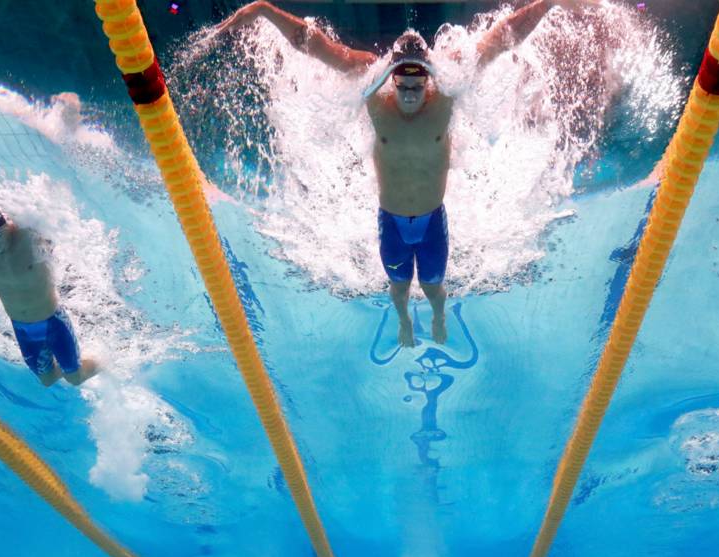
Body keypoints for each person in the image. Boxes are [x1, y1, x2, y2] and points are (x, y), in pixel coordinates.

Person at [215, 0, 598, 347]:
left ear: (429, 77)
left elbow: (501, 39)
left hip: (433, 220)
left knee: (434, 288)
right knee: (398, 288)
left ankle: (437, 316)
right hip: (391, 221)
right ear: (393, 78)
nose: (412, 93)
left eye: (419, 84)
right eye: (404, 85)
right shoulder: (374, 92)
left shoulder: (446, 93)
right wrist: (264, 10)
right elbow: (313, 45)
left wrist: (546, 4)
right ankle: (402, 321)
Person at [0, 200, 98, 386]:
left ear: (7, 226)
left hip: (52, 322)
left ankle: (105, 361)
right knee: (47, 380)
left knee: (74, 379)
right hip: (21, 327)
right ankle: (76, 360)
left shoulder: (27, 235)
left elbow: (48, 210)